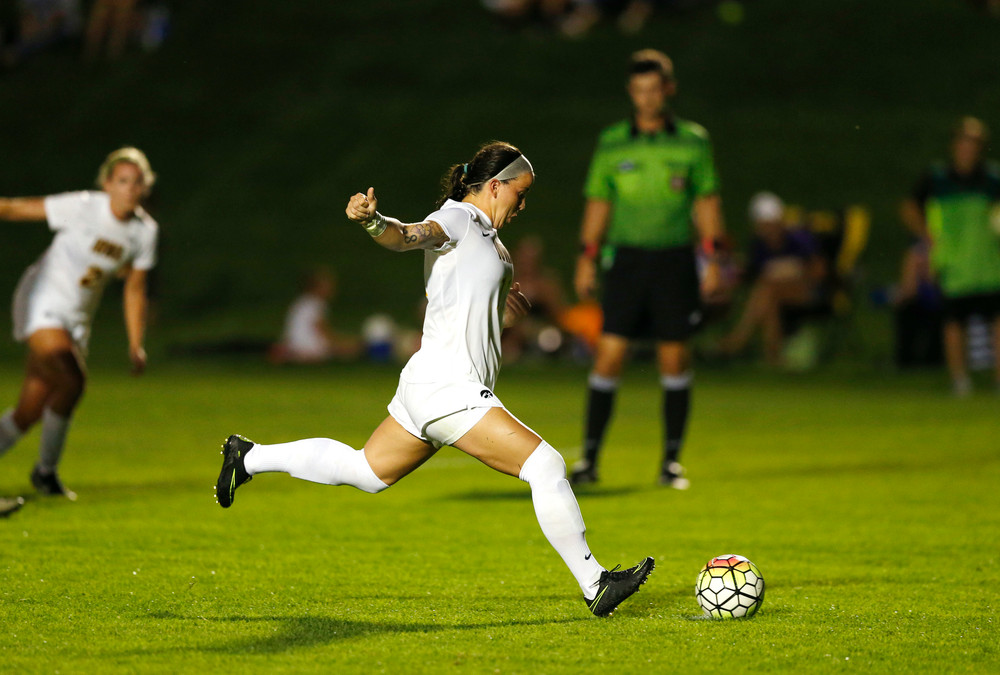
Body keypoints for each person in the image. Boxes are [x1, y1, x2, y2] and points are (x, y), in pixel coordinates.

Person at [215, 142, 654, 617]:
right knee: (545, 465)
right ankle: (595, 583)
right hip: (449, 386)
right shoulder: (459, 218)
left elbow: (468, 309)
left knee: (366, 471)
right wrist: (372, 221)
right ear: (493, 186)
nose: (523, 204)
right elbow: (409, 235)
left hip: (431, 382)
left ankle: (250, 457)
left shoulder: (493, 239)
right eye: (519, 193)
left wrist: (507, 313)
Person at [570, 49, 726, 489]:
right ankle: (590, 459)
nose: (647, 98)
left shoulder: (693, 140)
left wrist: (714, 260)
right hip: (626, 261)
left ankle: (671, 462)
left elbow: (707, 201)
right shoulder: (613, 141)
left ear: (668, 90)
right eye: (639, 90)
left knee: (674, 356)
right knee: (609, 355)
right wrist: (586, 258)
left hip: (675, 261)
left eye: (654, 89)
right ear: (631, 93)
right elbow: (598, 202)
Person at [0, 146, 158, 499]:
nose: (130, 189)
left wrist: (136, 343)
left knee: (28, 411)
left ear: (145, 187)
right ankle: (45, 473)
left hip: (76, 321)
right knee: (72, 380)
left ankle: (45, 473)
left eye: (137, 182)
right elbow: (14, 208)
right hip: (41, 303)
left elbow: (134, 288)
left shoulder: (144, 232)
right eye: (122, 181)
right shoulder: (85, 206)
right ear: (107, 184)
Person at [900, 116, 1000, 395]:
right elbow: (909, 208)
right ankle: (960, 380)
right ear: (955, 144)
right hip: (954, 263)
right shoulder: (937, 177)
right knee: (955, 322)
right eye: (964, 141)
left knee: (997, 319)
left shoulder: (992, 179)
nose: (968, 148)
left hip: (988, 263)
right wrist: (927, 237)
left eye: (974, 143)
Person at [713, 192, 828, 367]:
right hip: (774, 294)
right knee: (769, 297)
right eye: (762, 225)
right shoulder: (759, 245)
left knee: (768, 289)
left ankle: (735, 342)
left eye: (770, 224)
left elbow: (819, 271)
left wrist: (791, 274)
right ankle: (773, 358)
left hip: (810, 293)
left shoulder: (798, 238)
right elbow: (753, 274)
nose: (767, 229)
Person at [269, 268, 360, 365]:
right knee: (352, 347)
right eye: (328, 286)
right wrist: (340, 345)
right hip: (307, 348)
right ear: (317, 287)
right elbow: (322, 330)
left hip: (293, 345)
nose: (332, 289)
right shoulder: (315, 304)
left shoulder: (301, 302)